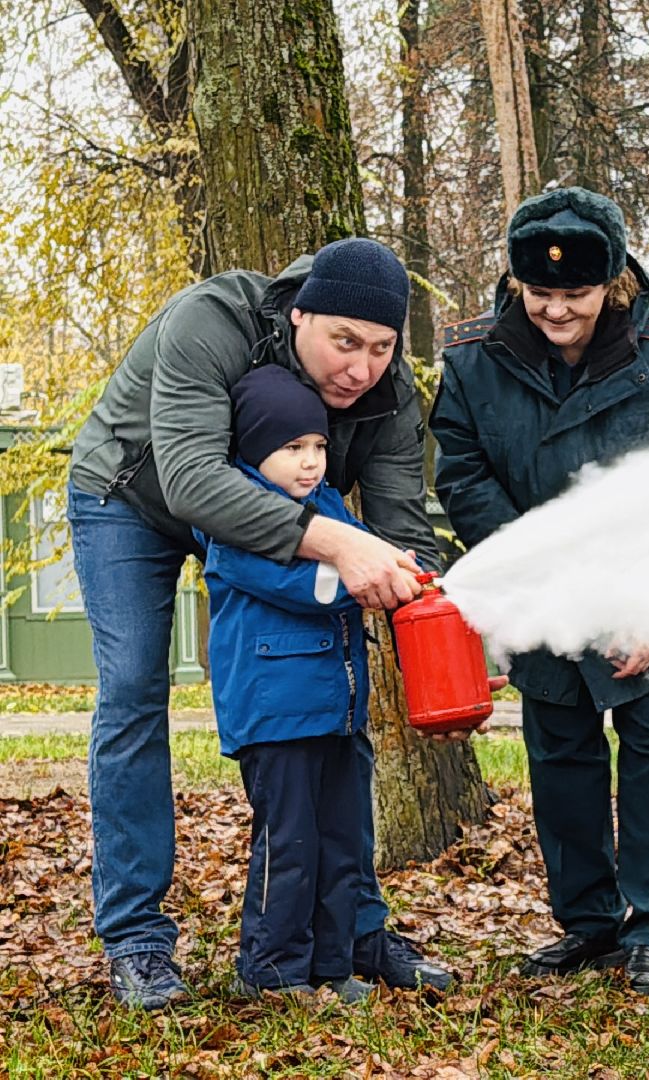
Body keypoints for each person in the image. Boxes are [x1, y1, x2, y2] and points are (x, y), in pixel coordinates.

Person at [68, 237, 454, 1008]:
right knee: (135, 693)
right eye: (344, 342)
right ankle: (137, 939)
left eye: (381, 348)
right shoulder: (212, 319)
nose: (362, 368)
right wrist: (342, 541)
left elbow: (403, 529)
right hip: (133, 497)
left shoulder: (387, 388)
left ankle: (354, 928)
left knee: (334, 713)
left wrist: (442, 634)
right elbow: (191, 479)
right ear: (300, 311)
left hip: (275, 518)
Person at [431, 186, 649, 997]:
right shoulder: (472, 356)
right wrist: (550, 574)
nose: (557, 310)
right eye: (541, 293)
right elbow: (460, 470)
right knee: (562, 758)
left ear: (614, 282)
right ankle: (587, 924)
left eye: (577, 294)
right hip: (542, 593)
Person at [198, 364, 377, 1002]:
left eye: (319, 447)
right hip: (276, 715)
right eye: (291, 448)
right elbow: (300, 587)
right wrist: (361, 574)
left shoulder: (324, 505)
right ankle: (272, 970)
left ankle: (332, 967)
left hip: (337, 711)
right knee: (290, 845)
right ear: (251, 451)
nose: (309, 463)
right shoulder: (236, 521)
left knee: (341, 843)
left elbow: (363, 553)